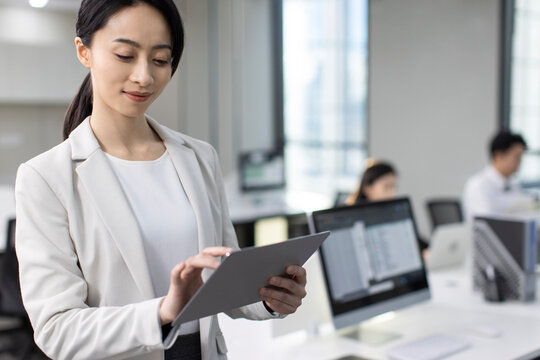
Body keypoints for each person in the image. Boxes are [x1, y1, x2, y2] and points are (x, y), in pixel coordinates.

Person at [14, 1, 307, 359]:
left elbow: (223, 280)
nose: (144, 77)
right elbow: (57, 330)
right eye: (124, 55)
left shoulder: (199, 157)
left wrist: (270, 297)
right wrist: (164, 313)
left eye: (160, 60)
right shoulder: (45, 178)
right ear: (84, 51)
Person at [463, 131, 537, 222]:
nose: (520, 162)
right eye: (516, 156)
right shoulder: (478, 185)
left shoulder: (512, 185)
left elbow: (529, 203)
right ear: (498, 155)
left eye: (521, 156)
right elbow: (489, 223)